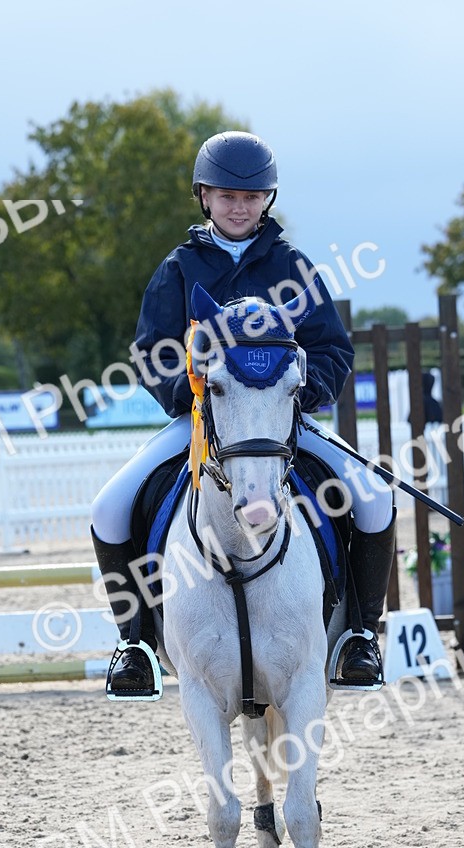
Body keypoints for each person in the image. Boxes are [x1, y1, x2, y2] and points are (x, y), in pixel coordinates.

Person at [91, 131, 395, 697]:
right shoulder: (178, 270)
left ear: (268, 202)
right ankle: (133, 643)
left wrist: (297, 397)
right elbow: (151, 351)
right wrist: (190, 394)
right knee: (109, 506)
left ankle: (358, 634)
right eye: (228, 195)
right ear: (204, 197)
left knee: (375, 499)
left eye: (252, 197)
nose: (240, 206)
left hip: (282, 426)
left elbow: (332, 349)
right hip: (203, 424)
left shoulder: (293, 267)